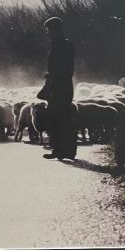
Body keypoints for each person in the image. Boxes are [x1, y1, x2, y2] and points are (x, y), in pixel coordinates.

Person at [39, 17, 77, 160]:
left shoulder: (60, 46)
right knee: (64, 118)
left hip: (59, 87)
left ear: (55, 30)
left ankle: (61, 150)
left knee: (57, 118)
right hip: (64, 86)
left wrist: (52, 79)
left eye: (48, 30)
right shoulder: (66, 45)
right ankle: (66, 150)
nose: (47, 33)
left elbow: (63, 68)